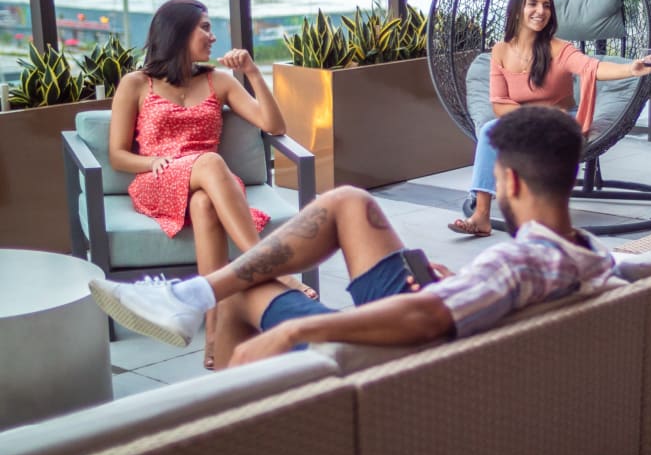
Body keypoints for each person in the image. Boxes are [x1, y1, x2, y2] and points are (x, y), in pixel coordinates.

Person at [88, 106, 617, 368]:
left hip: (402, 350)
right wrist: (462, 284)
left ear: (510, 181)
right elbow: (468, 299)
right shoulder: (591, 257)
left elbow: (428, 318)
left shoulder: (516, 266)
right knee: (349, 202)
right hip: (441, 313)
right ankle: (190, 298)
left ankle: (223, 412)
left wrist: (292, 333)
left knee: (246, 293)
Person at [109, 0, 311, 370]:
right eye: (204, 27)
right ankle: (268, 265)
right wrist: (154, 161)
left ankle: (214, 334)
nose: (212, 36)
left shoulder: (218, 80)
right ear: (178, 32)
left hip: (211, 183)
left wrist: (251, 72)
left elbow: (275, 126)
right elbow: (118, 154)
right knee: (211, 162)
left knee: (204, 203)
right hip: (158, 179)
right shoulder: (136, 84)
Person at [448, 0, 651, 237]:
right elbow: (499, 104)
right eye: (533, 4)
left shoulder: (559, 48)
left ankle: (535, 213)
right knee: (491, 129)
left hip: (560, 122)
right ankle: (481, 216)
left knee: (498, 132)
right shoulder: (501, 51)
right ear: (517, 10)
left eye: (547, 6)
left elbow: (591, 67)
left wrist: (631, 68)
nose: (541, 11)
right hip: (526, 121)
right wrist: (536, 115)